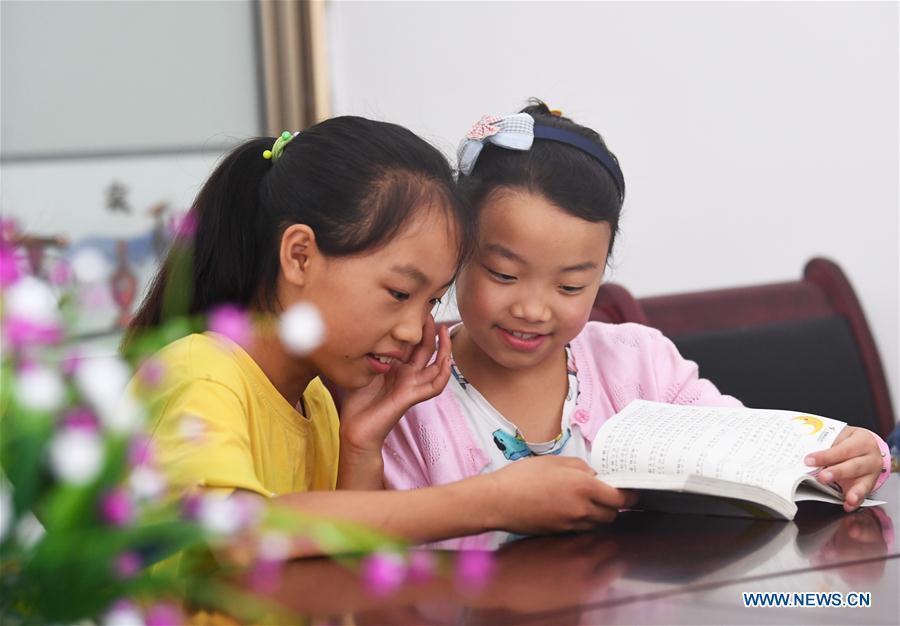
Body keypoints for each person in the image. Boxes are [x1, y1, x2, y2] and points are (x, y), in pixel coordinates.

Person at [125, 116, 632, 559]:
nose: (415, 329)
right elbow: (236, 535)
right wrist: (490, 501)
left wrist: (360, 445)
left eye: (431, 303)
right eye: (398, 292)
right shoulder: (200, 371)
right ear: (299, 255)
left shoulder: (318, 402)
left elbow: (340, 565)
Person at [383, 102, 891, 511]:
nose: (534, 309)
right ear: (458, 253)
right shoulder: (409, 392)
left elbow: (747, 450)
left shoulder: (636, 361)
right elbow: (387, 547)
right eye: (505, 275)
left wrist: (849, 455)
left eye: (571, 286)